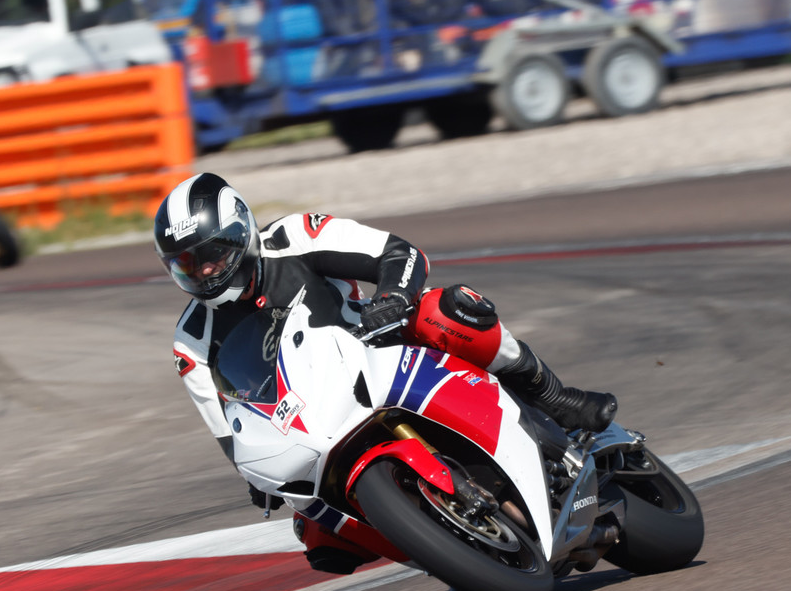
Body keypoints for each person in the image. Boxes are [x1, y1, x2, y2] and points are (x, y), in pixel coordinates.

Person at [155, 172, 618, 518]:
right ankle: (447, 544)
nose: (205, 272)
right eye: (187, 266)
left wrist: (393, 298)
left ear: (241, 233)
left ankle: (554, 397)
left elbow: (399, 252)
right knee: (317, 537)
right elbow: (225, 429)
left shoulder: (295, 236)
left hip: (382, 346)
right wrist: (253, 474)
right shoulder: (191, 339)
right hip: (310, 416)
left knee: (446, 311)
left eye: (211, 255)